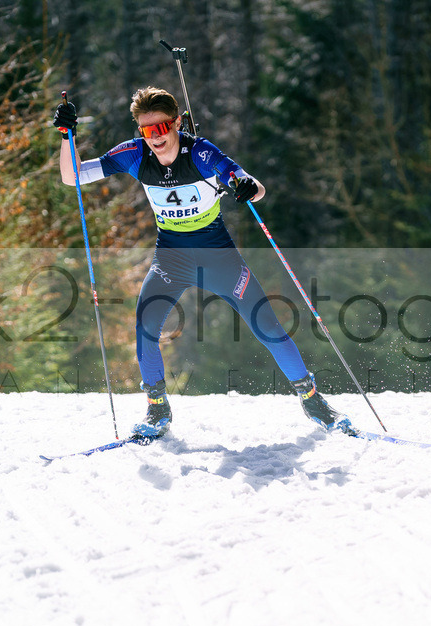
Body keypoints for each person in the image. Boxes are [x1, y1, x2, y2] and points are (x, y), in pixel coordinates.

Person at [54, 87, 350, 437]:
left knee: (267, 326)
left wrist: (245, 187)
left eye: (163, 128)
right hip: (171, 259)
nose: (157, 138)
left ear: (177, 122)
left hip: (218, 257)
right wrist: (66, 137)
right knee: (145, 326)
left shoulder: (202, 153)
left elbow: (253, 186)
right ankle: (157, 410)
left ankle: (312, 399)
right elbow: (72, 175)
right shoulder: (134, 155)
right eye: (148, 131)